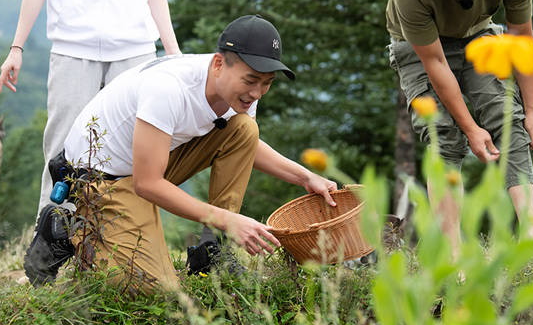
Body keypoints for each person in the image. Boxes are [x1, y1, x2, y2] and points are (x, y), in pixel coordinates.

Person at [23, 15, 338, 292]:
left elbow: (244, 144)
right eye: (251, 80)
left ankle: (212, 252)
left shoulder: (239, 93)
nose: (257, 92)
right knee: (152, 290)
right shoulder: (168, 89)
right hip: (101, 177)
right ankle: (67, 230)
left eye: (266, 83)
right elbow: (147, 184)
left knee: (244, 129)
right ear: (218, 63)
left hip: (144, 164)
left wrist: (305, 176)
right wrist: (229, 219)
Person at [0, 0, 181, 216]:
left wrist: (173, 54)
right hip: (72, 50)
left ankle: (123, 238)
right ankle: (52, 237)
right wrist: (16, 48)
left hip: (136, 51)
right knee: (63, 148)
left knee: (134, 151)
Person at [386, 0, 533, 258]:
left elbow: (521, 37)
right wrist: (471, 128)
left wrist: (532, 111)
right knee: (443, 134)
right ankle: (453, 255)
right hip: (418, 47)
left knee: (509, 120)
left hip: (477, 35)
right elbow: (435, 62)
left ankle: (532, 243)